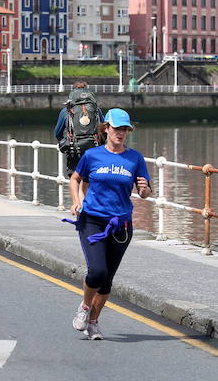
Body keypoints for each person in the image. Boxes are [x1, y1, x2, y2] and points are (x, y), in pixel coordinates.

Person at [67, 108, 151, 341]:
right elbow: (75, 179)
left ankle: (93, 322)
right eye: (117, 128)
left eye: (125, 129)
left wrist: (144, 189)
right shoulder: (92, 155)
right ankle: (84, 307)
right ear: (106, 129)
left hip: (121, 225)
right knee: (97, 271)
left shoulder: (134, 158)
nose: (121, 133)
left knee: (107, 280)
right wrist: (77, 202)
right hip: (92, 219)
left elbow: (145, 192)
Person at [54, 81, 104, 176]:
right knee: (91, 181)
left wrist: (66, 141)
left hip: (74, 151)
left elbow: (57, 133)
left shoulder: (66, 111)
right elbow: (104, 128)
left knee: (75, 181)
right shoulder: (95, 110)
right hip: (94, 150)